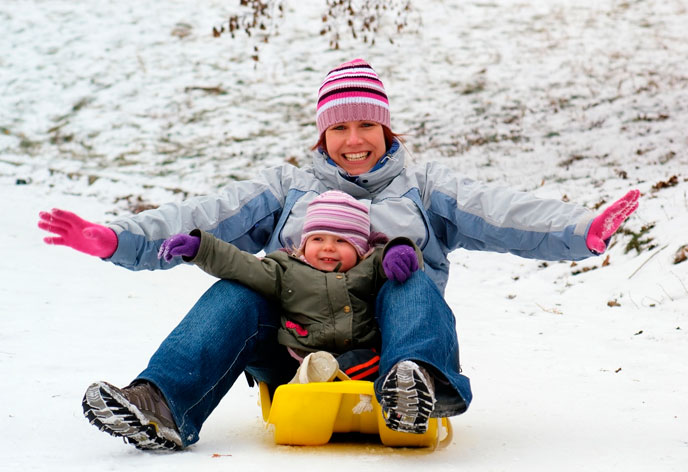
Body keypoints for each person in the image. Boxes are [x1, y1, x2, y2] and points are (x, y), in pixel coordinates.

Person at [39, 58, 640, 451]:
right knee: (241, 285)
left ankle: (418, 384)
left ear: (387, 130)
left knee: (408, 276)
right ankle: (162, 402)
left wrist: (580, 229)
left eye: (366, 126)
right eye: (339, 129)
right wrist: (118, 239)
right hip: (294, 348)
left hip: (391, 351)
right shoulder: (286, 188)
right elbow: (202, 217)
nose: (354, 142)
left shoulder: (426, 188)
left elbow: (507, 213)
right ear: (321, 135)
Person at [158, 189, 424, 387]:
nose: (328, 247)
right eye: (318, 238)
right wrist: (201, 248)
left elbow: (400, 262)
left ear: (360, 248)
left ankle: (399, 385)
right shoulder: (286, 270)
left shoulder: (370, 267)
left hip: (361, 361)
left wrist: (400, 250)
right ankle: (313, 382)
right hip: (297, 364)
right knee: (305, 362)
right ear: (305, 243)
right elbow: (240, 264)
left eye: (341, 241)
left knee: (370, 358)